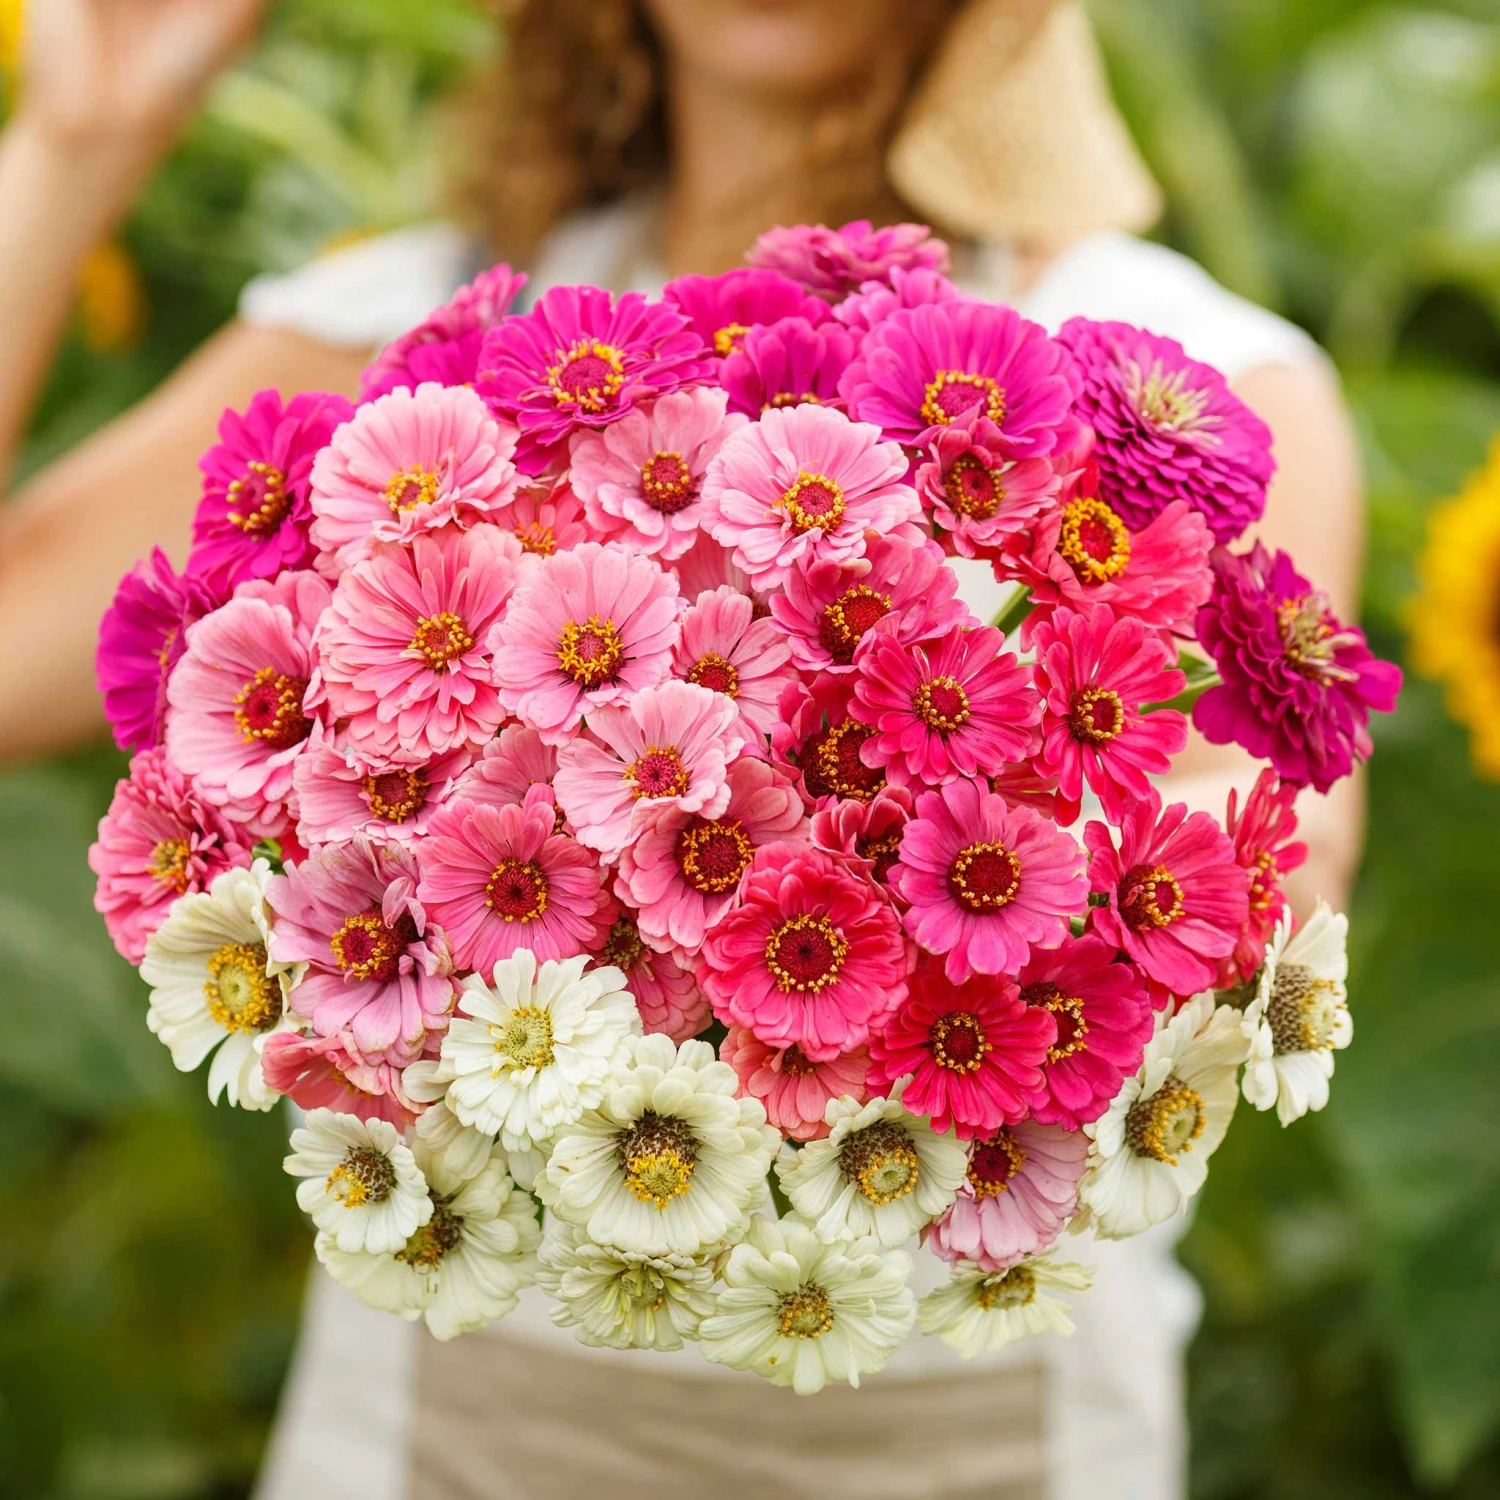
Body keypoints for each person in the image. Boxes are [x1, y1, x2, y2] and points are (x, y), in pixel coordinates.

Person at [0, 2, 1367, 1496]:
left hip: (987, 1426)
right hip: (454, 1423)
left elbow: (1271, 858)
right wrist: (81, 139)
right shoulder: (420, 326)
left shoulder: (1194, 371)